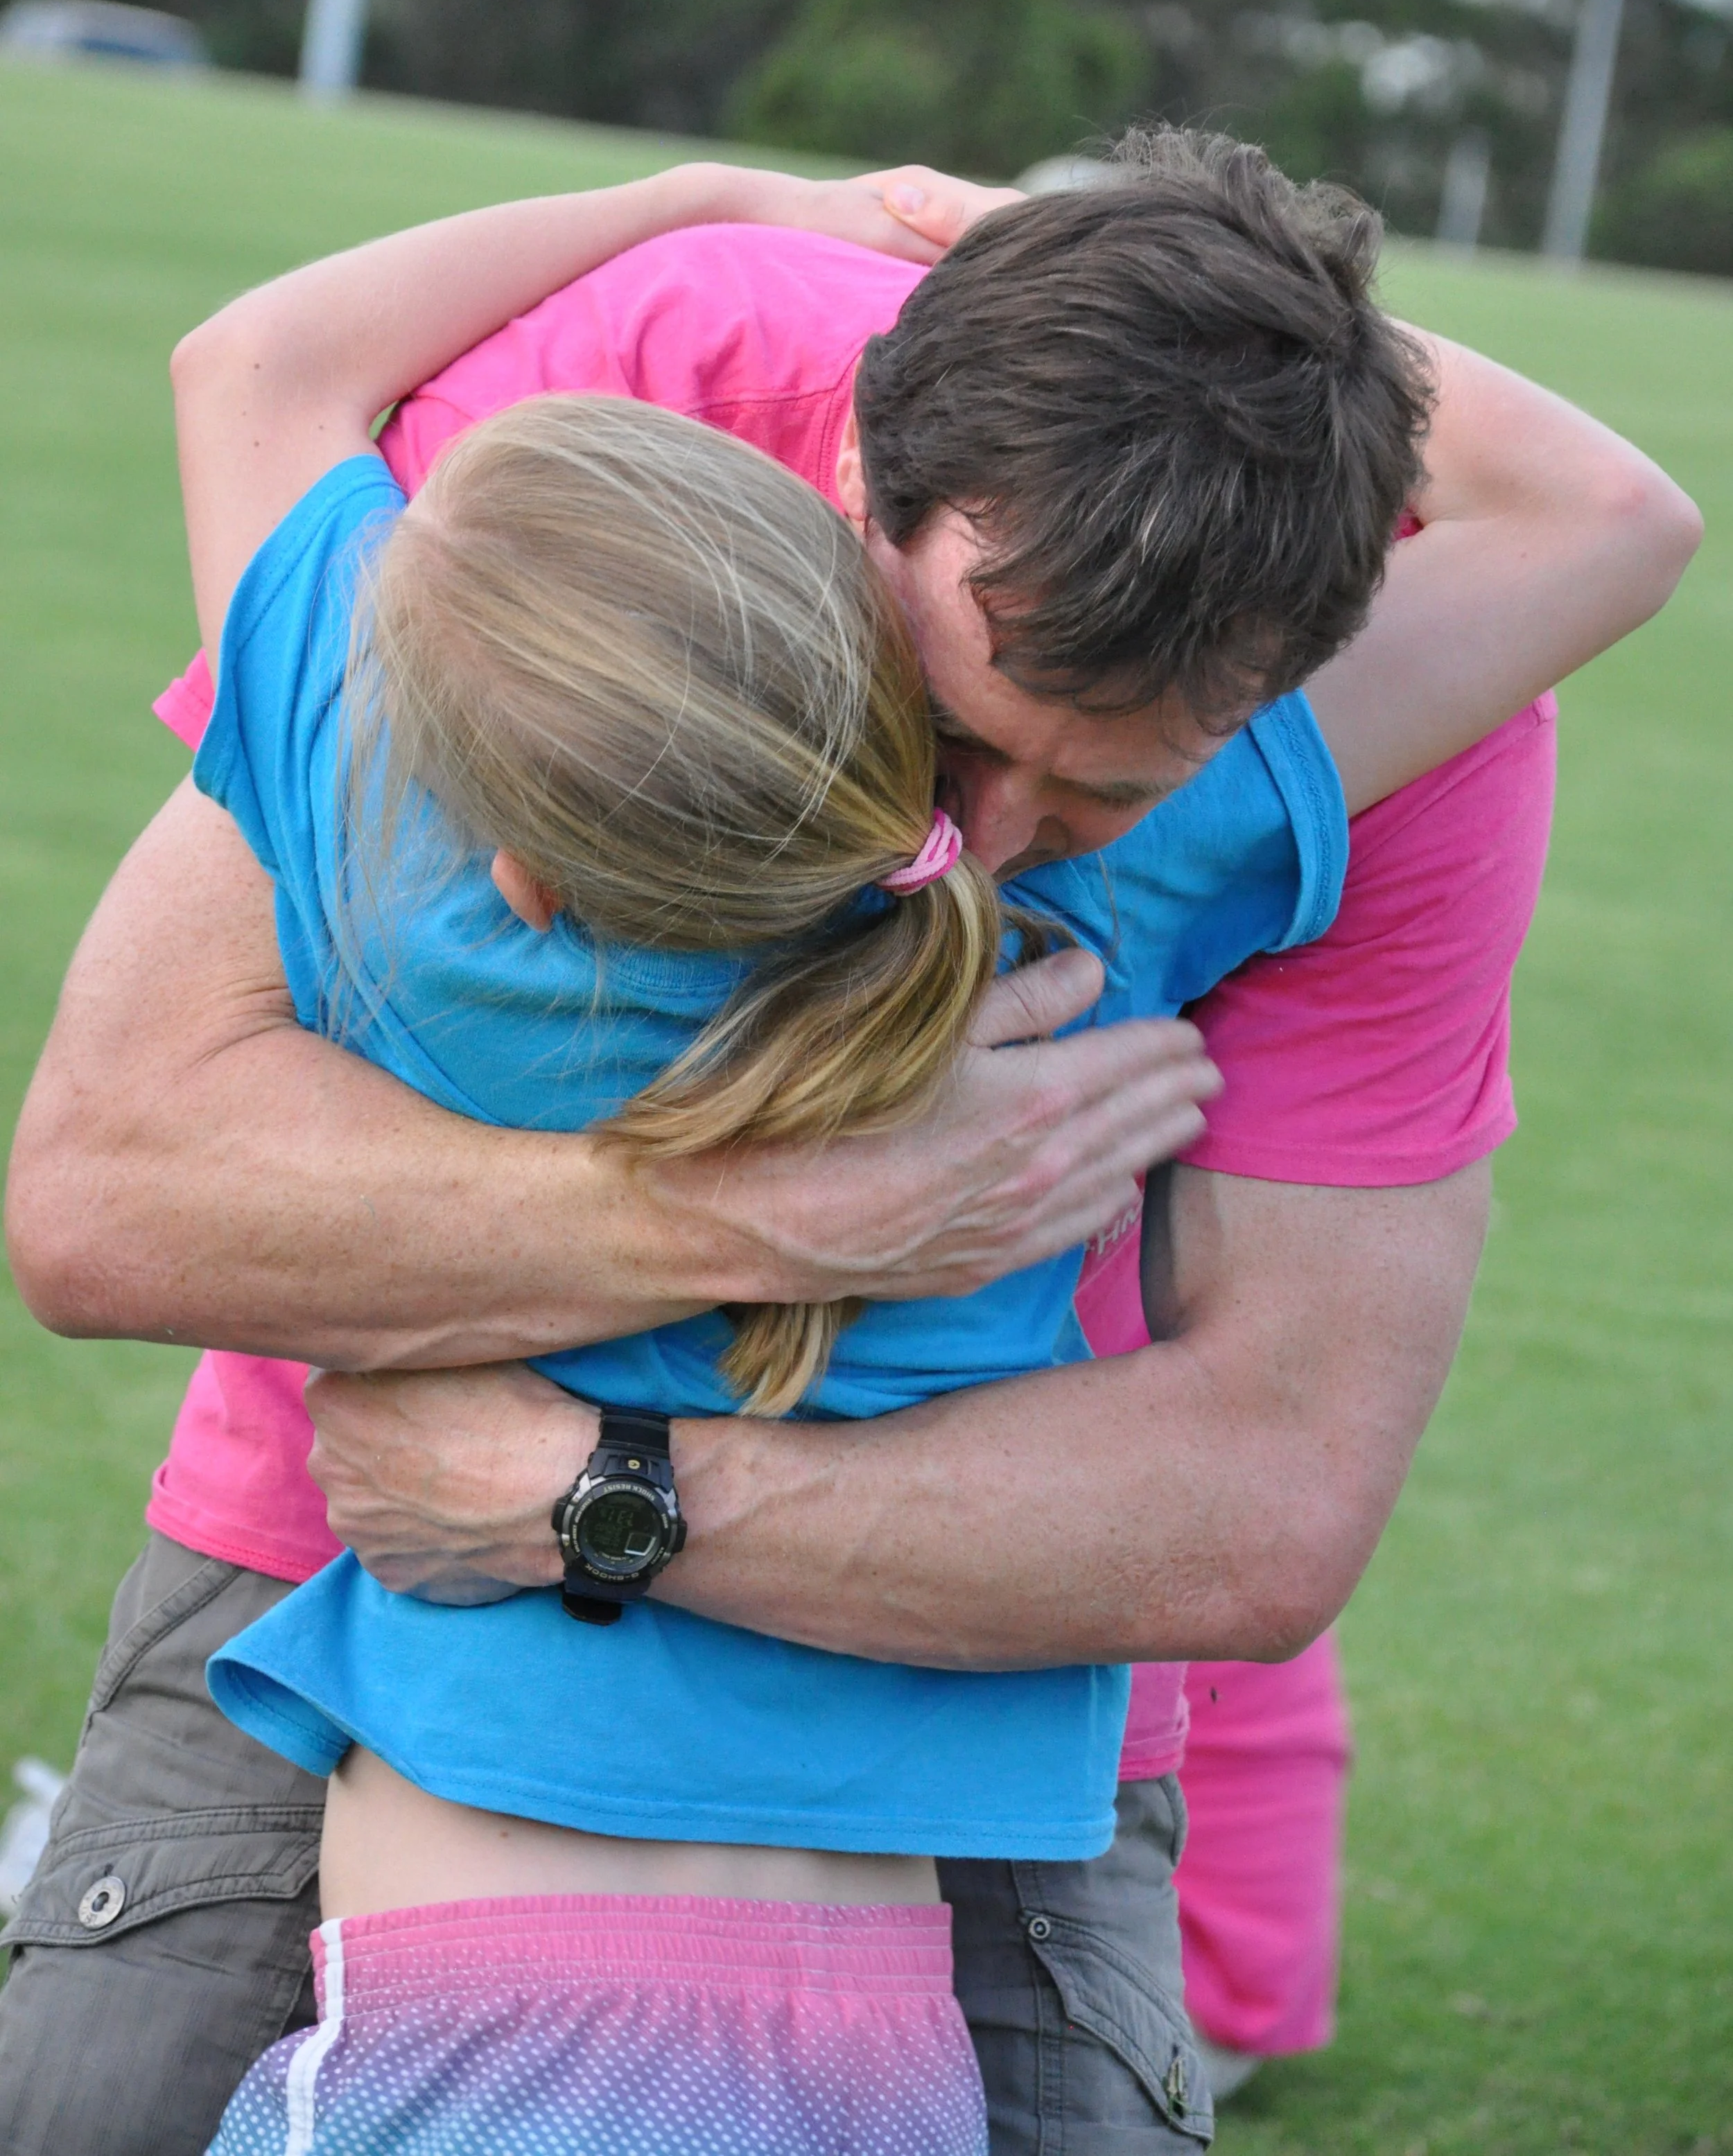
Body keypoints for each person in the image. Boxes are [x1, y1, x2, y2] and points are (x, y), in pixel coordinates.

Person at [1, 139, 1697, 2155]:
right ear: (839, 502)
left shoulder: (391, 787)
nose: (985, 836)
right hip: (877, 1987)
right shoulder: (1133, 902)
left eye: (1101, 784)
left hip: (461, 1988)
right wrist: (801, 1210)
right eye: (962, 732)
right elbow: (1613, 511)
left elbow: (256, 367)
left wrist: (707, 192)